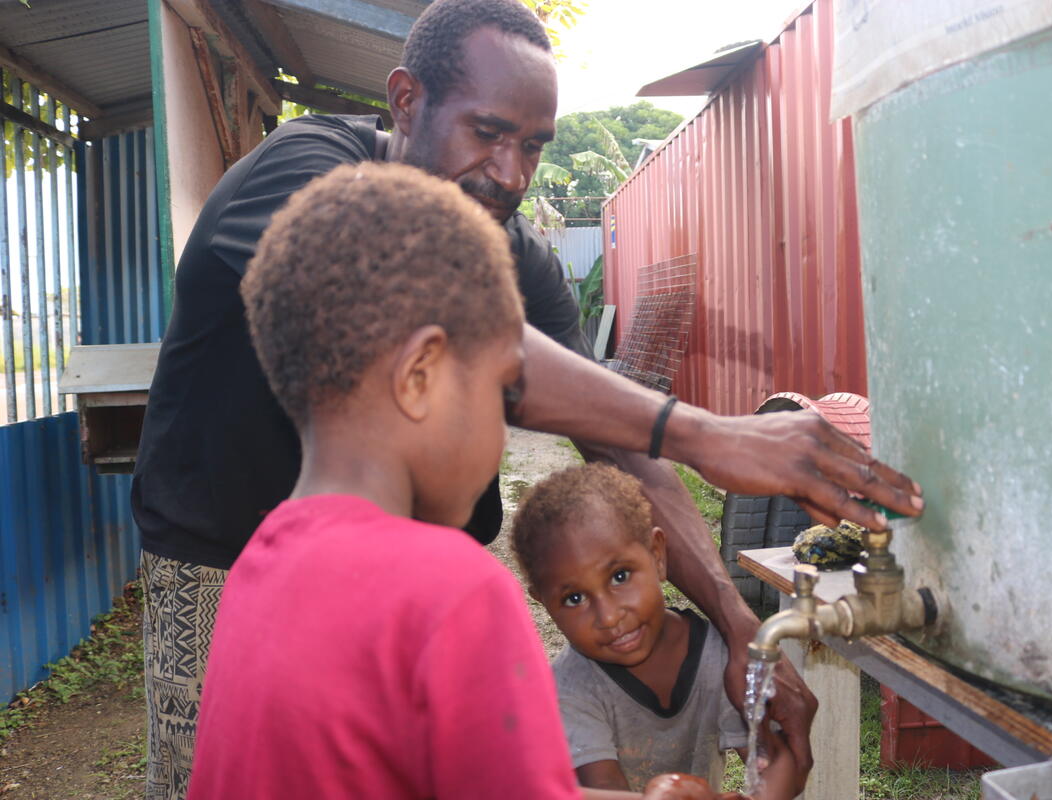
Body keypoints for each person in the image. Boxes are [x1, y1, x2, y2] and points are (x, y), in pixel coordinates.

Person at [133, 0, 923, 795]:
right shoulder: (310, 174)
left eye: (535, 146)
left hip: (366, 575)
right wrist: (700, 432)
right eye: (487, 133)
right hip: (223, 562)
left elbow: (617, 445)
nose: (512, 174)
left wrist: (736, 619)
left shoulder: (506, 253)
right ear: (407, 101)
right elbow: (422, 309)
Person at [188, 161, 758, 800]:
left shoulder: (259, 565)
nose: (501, 432)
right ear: (420, 376)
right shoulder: (453, 589)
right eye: (501, 393)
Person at [512, 463, 797, 799]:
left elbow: (777, 762)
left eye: (620, 577)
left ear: (657, 555)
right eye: (574, 598)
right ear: (543, 603)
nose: (608, 616)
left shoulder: (719, 657)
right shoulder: (569, 688)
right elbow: (602, 788)